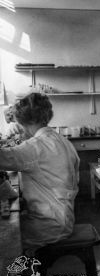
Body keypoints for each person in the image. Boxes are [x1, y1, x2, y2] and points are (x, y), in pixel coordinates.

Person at [0, 93, 80, 255]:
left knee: (6, 238)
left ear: (23, 122)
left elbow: (4, 158)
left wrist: (9, 133)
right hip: (64, 217)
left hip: (49, 225)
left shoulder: (34, 146)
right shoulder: (63, 141)